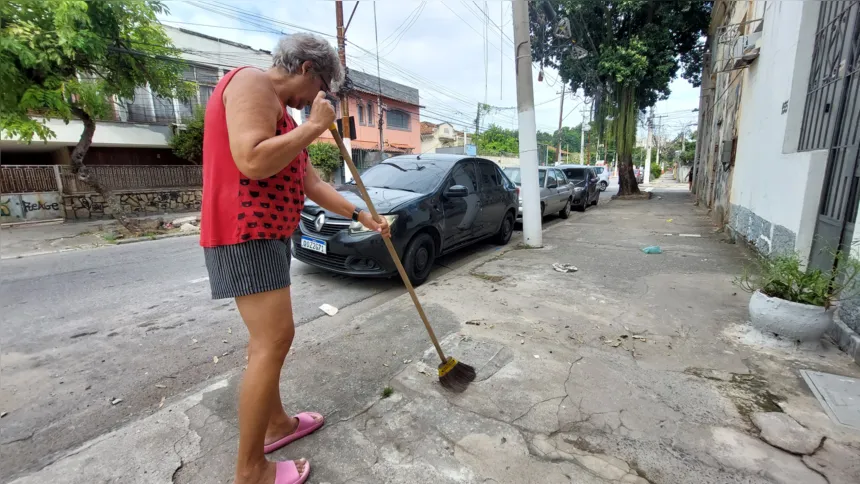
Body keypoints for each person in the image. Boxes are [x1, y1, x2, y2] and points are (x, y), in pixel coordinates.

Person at [199, 33, 390, 484]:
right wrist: (314, 128)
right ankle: (250, 471)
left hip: (264, 235)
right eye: (323, 84)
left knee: (265, 342)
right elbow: (250, 159)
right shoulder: (250, 83)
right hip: (244, 232)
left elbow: (313, 185)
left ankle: (276, 423)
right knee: (274, 341)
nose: (320, 97)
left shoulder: (284, 117)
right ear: (307, 68)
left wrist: (363, 214)